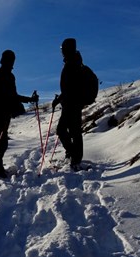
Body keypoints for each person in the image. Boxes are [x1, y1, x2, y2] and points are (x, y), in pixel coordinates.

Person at [0, 50, 38, 178]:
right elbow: (12, 96)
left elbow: (12, 96)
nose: (11, 63)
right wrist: (29, 100)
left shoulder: (3, 75)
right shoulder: (5, 76)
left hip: (0, 113)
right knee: (2, 141)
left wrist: (29, 100)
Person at [52, 38, 85, 171]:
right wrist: (59, 99)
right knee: (72, 130)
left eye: (63, 49)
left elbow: (69, 88)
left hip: (72, 103)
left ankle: (75, 157)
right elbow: (67, 88)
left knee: (69, 130)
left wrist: (60, 99)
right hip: (70, 103)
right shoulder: (74, 62)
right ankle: (73, 155)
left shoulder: (73, 64)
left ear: (68, 49)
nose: (61, 52)